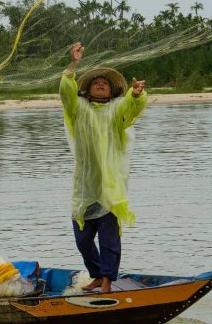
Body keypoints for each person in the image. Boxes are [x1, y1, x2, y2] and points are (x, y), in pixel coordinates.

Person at [60, 42, 147, 293]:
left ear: (111, 90)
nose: (100, 83)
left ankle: (108, 280)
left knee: (109, 240)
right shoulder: (78, 109)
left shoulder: (117, 109)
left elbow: (132, 108)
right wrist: (73, 64)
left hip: (110, 188)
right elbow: (66, 93)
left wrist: (137, 94)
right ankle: (97, 274)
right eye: (96, 82)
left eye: (105, 83)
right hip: (85, 188)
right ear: (87, 89)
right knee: (83, 239)